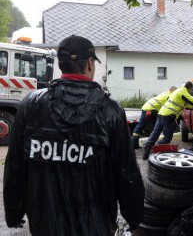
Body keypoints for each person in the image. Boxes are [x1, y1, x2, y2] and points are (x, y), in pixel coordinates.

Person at [3, 35, 144, 236]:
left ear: (61, 65)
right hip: (95, 224)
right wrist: (134, 215)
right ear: (89, 63)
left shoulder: (31, 104)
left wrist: (14, 211)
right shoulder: (110, 110)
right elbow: (126, 171)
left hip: (45, 223)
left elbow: (15, 166)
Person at [143, 81, 193, 159]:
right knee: (167, 137)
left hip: (161, 113)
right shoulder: (183, 92)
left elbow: (189, 105)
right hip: (169, 116)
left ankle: (146, 151)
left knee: (155, 133)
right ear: (190, 88)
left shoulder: (178, 91)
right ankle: (156, 149)